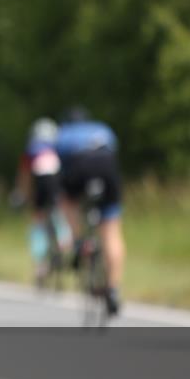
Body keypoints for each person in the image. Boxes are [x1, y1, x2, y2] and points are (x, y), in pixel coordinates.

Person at [55, 107, 124, 315]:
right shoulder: (103, 129)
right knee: (111, 231)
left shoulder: (63, 133)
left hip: (80, 167)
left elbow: (59, 169)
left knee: (67, 202)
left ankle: (78, 243)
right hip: (108, 167)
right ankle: (113, 289)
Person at [13, 117, 71, 286]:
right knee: (58, 213)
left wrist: (21, 196)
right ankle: (63, 242)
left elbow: (25, 178)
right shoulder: (58, 148)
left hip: (40, 182)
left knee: (38, 220)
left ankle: (40, 265)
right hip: (56, 182)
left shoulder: (31, 150)